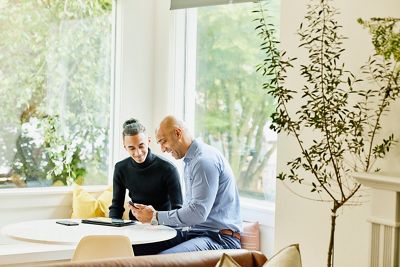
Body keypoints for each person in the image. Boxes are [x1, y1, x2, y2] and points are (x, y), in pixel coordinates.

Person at [130, 115, 242, 255]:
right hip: (195, 233)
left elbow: (197, 213)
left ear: (178, 133)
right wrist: (153, 218)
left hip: (220, 239)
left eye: (163, 141)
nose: (162, 149)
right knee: (135, 249)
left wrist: (155, 216)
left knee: (163, 260)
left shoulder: (203, 161)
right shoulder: (190, 161)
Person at [109, 118, 183, 220]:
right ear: (125, 147)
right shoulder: (120, 168)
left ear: (148, 141)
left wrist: (155, 218)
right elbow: (116, 207)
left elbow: (178, 209)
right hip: (135, 227)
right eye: (131, 148)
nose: (138, 153)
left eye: (141, 146)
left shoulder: (168, 169)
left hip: (163, 227)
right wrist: (111, 229)